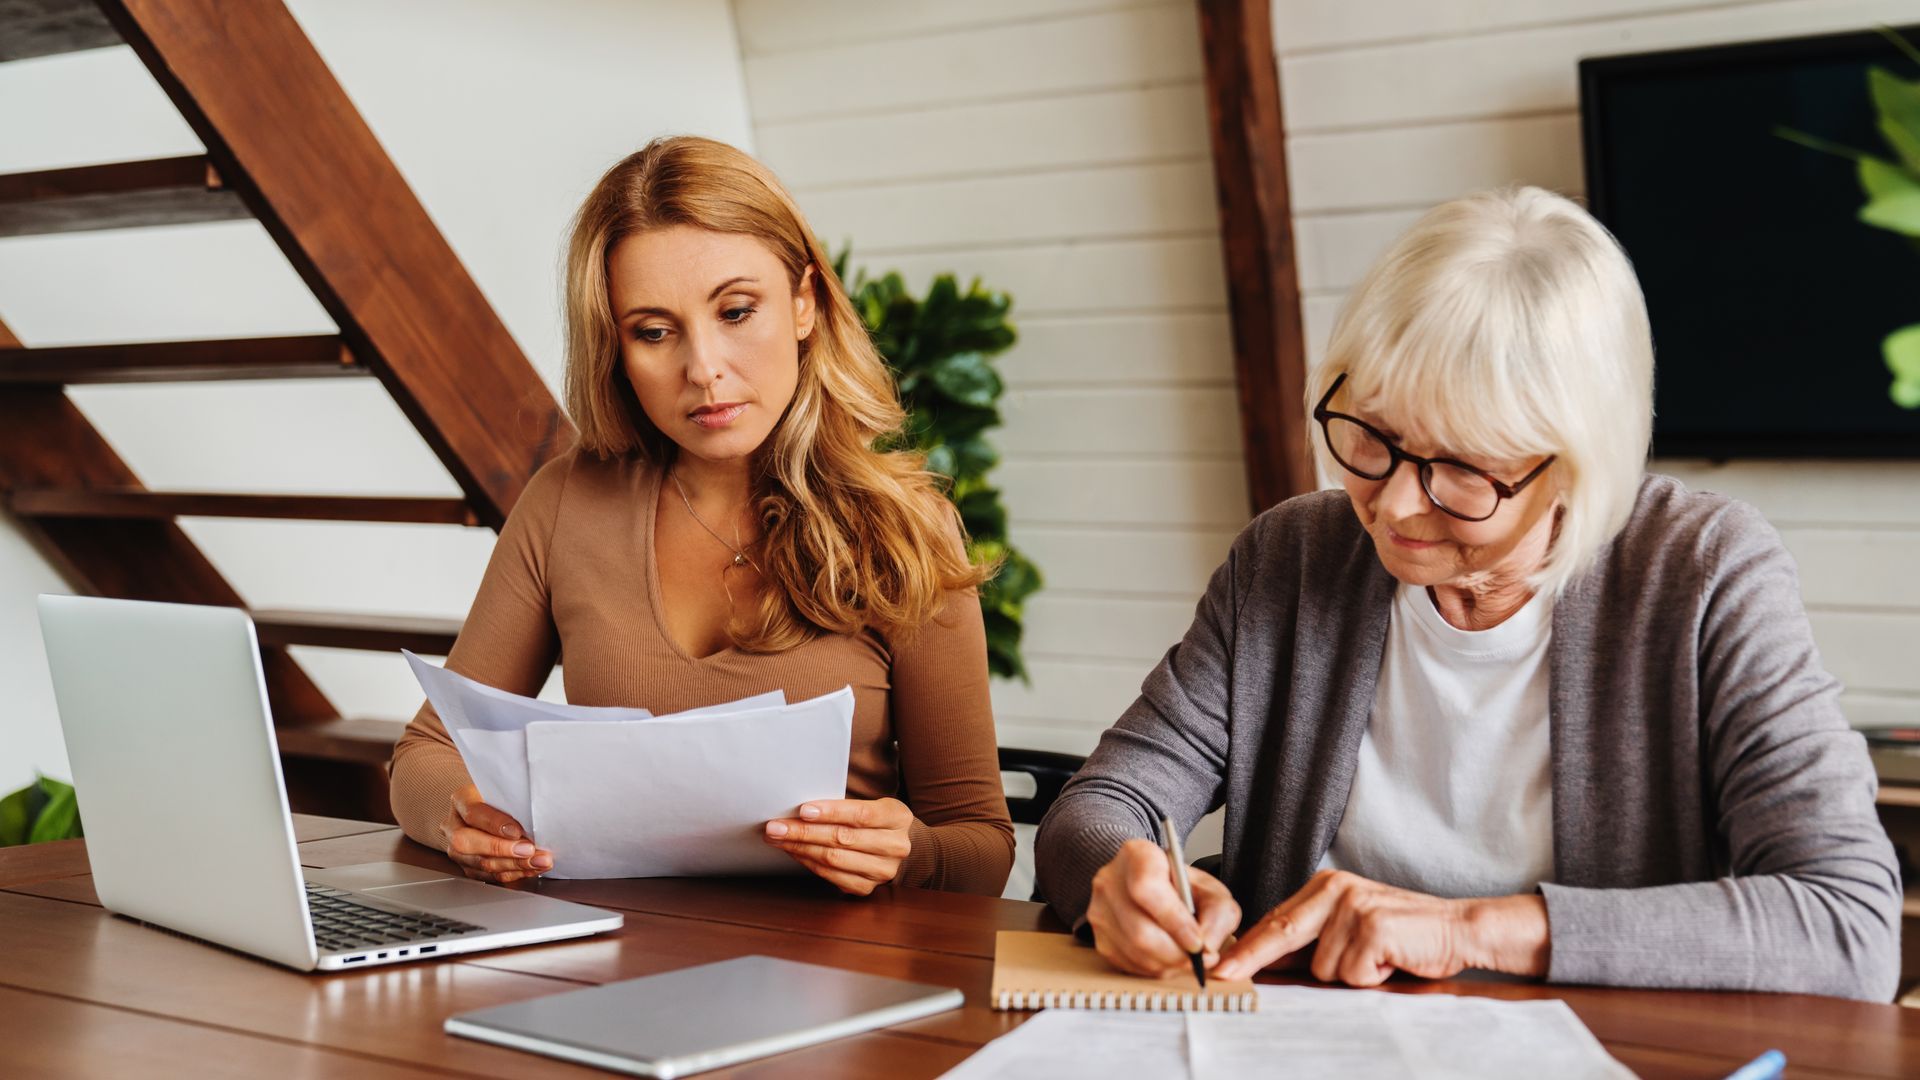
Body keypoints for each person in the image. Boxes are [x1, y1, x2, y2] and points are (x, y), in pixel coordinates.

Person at [1034, 186, 1900, 1000]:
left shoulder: (1705, 572)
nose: (1397, 505)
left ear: (1573, 468)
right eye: (1370, 437)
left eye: (1461, 470)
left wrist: (1470, 932)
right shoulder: (1289, 559)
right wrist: (1122, 875)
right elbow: (1102, 807)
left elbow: (1847, 927)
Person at [389, 136, 1014, 897]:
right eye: (654, 332)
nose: (704, 368)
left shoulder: (905, 528)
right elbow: (424, 753)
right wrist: (464, 816)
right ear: (615, 350)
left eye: (737, 311)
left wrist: (908, 853)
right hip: (614, 963)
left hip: (841, 976)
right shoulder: (567, 502)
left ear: (806, 303)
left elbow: (982, 846)